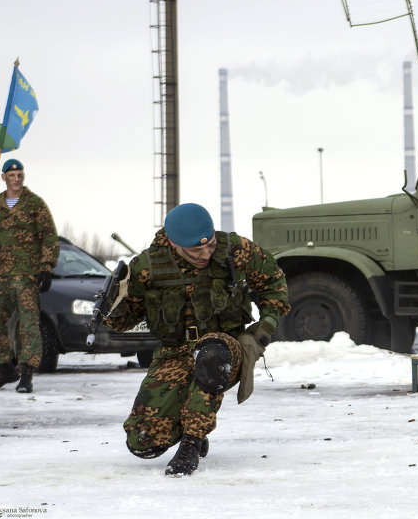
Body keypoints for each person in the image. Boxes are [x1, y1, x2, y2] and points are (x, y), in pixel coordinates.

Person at [103, 203, 290, 476]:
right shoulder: (147, 266)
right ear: (173, 243)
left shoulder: (235, 249)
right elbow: (122, 320)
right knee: (143, 442)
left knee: (211, 355)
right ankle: (192, 428)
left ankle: (191, 443)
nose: (205, 253)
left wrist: (268, 323)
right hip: (174, 352)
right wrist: (111, 303)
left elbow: (274, 281)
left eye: (210, 245)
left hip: (227, 345)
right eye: (196, 250)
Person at [0, 158, 59, 393]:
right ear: (3, 178)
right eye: (11, 175)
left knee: (28, 325)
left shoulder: (35, 204)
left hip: (26, 274)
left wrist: (46, 267)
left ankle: (27, 374)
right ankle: (5, 368)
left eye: (20, 174)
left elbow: (49, 237)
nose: (16, 179)